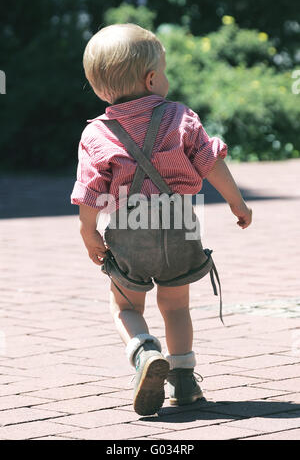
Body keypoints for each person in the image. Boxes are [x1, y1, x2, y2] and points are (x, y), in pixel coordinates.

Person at [71, 23, 252, 416]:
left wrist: (88, 232)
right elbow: (210, 163)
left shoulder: (97, 134)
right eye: (165, 70)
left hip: (129, 228)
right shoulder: (179, 117)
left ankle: (145, 351)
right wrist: (237, 203)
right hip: (179, 224)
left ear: (101, 89)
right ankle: (184, 383)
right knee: (175, 307)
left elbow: (88, 191)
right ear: (152, 79)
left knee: (125, 307)